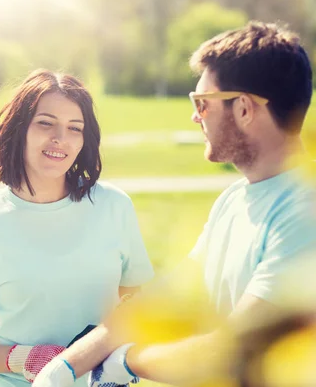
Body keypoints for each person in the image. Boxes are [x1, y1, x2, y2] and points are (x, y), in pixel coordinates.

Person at [32, 21, 316, 387]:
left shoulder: (303, 214)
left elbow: (233, 351)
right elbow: (167, 296)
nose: (195, 116)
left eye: (202, 103)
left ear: (244, 108)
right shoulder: (235, 199)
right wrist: (68, 365)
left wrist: (126, 363)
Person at [0, 69, 155, 387]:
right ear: (19, 130)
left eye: (74, 128)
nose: (60, 139)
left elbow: (134, 301)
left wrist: (115, 356)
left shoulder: (114, 206)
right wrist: (25, 358)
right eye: (45, 123)